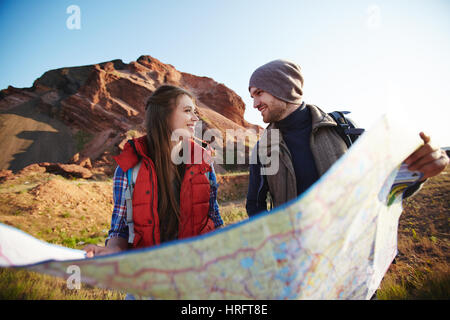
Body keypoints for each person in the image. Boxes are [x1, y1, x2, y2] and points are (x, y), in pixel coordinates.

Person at [246, 59, 449, 216]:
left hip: (349, 259)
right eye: (252, 96)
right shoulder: (263, 148)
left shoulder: (343, 128)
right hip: (296, 262)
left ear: (284, 88)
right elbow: (255, 205)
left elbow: (384, 187)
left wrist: (418, 171)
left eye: (259, 93)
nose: (254, 104)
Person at [84, 85, 223, 258]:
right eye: (188, 111)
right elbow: (119, 229)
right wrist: (113, 250)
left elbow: (214, 217)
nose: (195, 118)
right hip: (148, 273)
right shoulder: (128, 168)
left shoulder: (204, 162)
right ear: (164, 115)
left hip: (196, 270)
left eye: (195, 112)